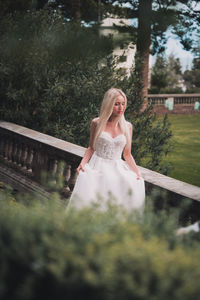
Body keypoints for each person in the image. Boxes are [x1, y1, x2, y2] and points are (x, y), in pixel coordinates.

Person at [69, 88, 145, 212]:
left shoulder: (128, 127)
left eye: (123, 104)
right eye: (116, 104)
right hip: (98, 167)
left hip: (116, 167)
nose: (121, 108)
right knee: (94, 204)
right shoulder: (96, 123)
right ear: (109, 104)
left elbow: (127, 154)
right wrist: (82, 164)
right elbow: (91, 148)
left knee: (117, 201)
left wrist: (137, 173)